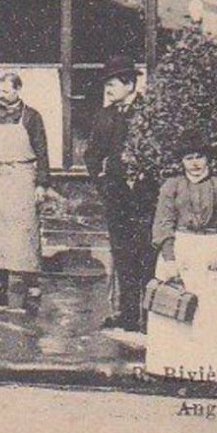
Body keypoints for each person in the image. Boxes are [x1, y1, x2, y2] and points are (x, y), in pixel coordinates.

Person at [145, 133, 217, 386]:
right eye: (188, 158)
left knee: (214, 309)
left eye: (199, 157)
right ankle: (175, 369)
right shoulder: (172, 185)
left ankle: (215, 370)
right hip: (180, 248)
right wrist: (169, 257)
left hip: (211, 248)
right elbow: (163, 223)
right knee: (176, 306)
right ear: (182, 161)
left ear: (208, 159)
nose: (194, 163)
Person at [0, 69, 51, 310]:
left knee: (23, 228)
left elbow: (42, 151)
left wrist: (41, 183)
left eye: (6, 90)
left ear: (17, 90)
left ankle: (30, 280)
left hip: (21, 177)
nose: (1, 94)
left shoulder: (32, 117)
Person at [84, 56, 150, 331]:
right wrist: (103, 184)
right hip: (116, 196)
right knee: (122, 255)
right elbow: (91, 155)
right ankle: (128, 313)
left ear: (129, 83)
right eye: (107, 84)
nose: (108, 89)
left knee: (146, 254)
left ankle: (149, 317)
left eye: (112, 84)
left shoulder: (147, 114)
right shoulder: (106, 115)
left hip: (145, 198)